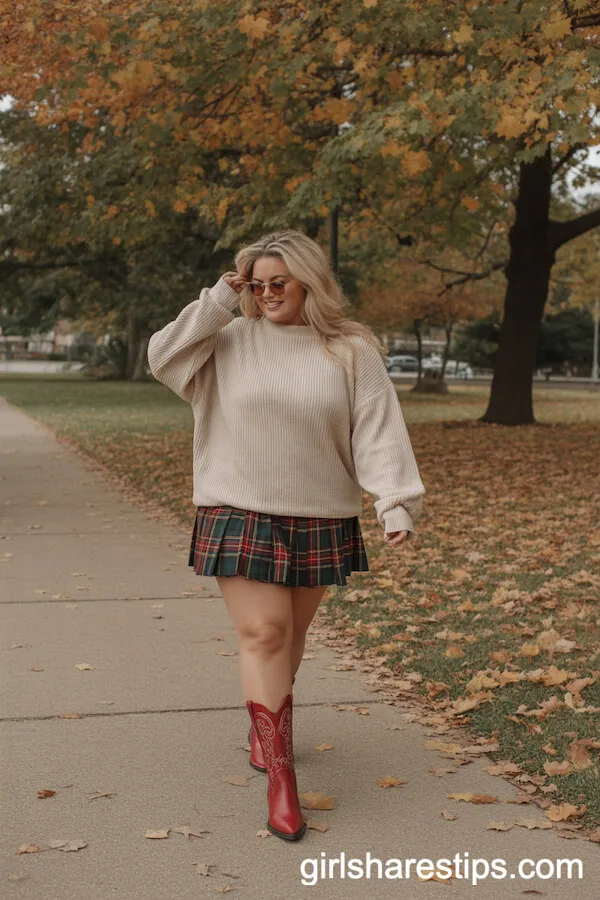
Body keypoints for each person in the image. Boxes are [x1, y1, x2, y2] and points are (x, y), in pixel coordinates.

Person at [147, 230, 425, 842]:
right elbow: (162, 357)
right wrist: (220, 298)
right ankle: (281, 777)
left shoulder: (349, 350)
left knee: (291, 638)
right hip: (238, 506)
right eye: (258, 284)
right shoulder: (226, 340)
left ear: (308, 283)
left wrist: (395, 503)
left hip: (320, 513)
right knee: (265, 632)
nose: (268, 294)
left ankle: (264, 726)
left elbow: (377, 429)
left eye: (280, 283)